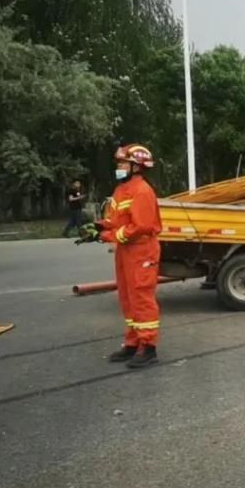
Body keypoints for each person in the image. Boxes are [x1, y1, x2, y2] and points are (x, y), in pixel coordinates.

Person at [86, 145, 163, 368]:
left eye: (123, 163)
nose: (119, 167)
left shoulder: (142, 191)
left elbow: (140, 227)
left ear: (136, 167)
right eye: (119, 163)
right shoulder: (122, 189)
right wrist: (98, 227)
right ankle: (133, 343)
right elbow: (116, 220)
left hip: (142, 250)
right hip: (126, 251)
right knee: (128, 298)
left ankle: (148, 347)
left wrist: (107, 236)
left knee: (141, 298)